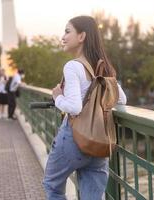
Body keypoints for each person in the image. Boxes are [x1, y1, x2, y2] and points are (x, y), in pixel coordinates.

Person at [42, 16, 127, 200]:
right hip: (99, 142)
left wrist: (58, 98)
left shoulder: (73, 66)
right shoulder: (103, 67)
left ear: (81, 36)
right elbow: (122, 99)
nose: (62, 37)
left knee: (52, 186)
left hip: (74, 138)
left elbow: (73, 107)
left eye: (67, 31)